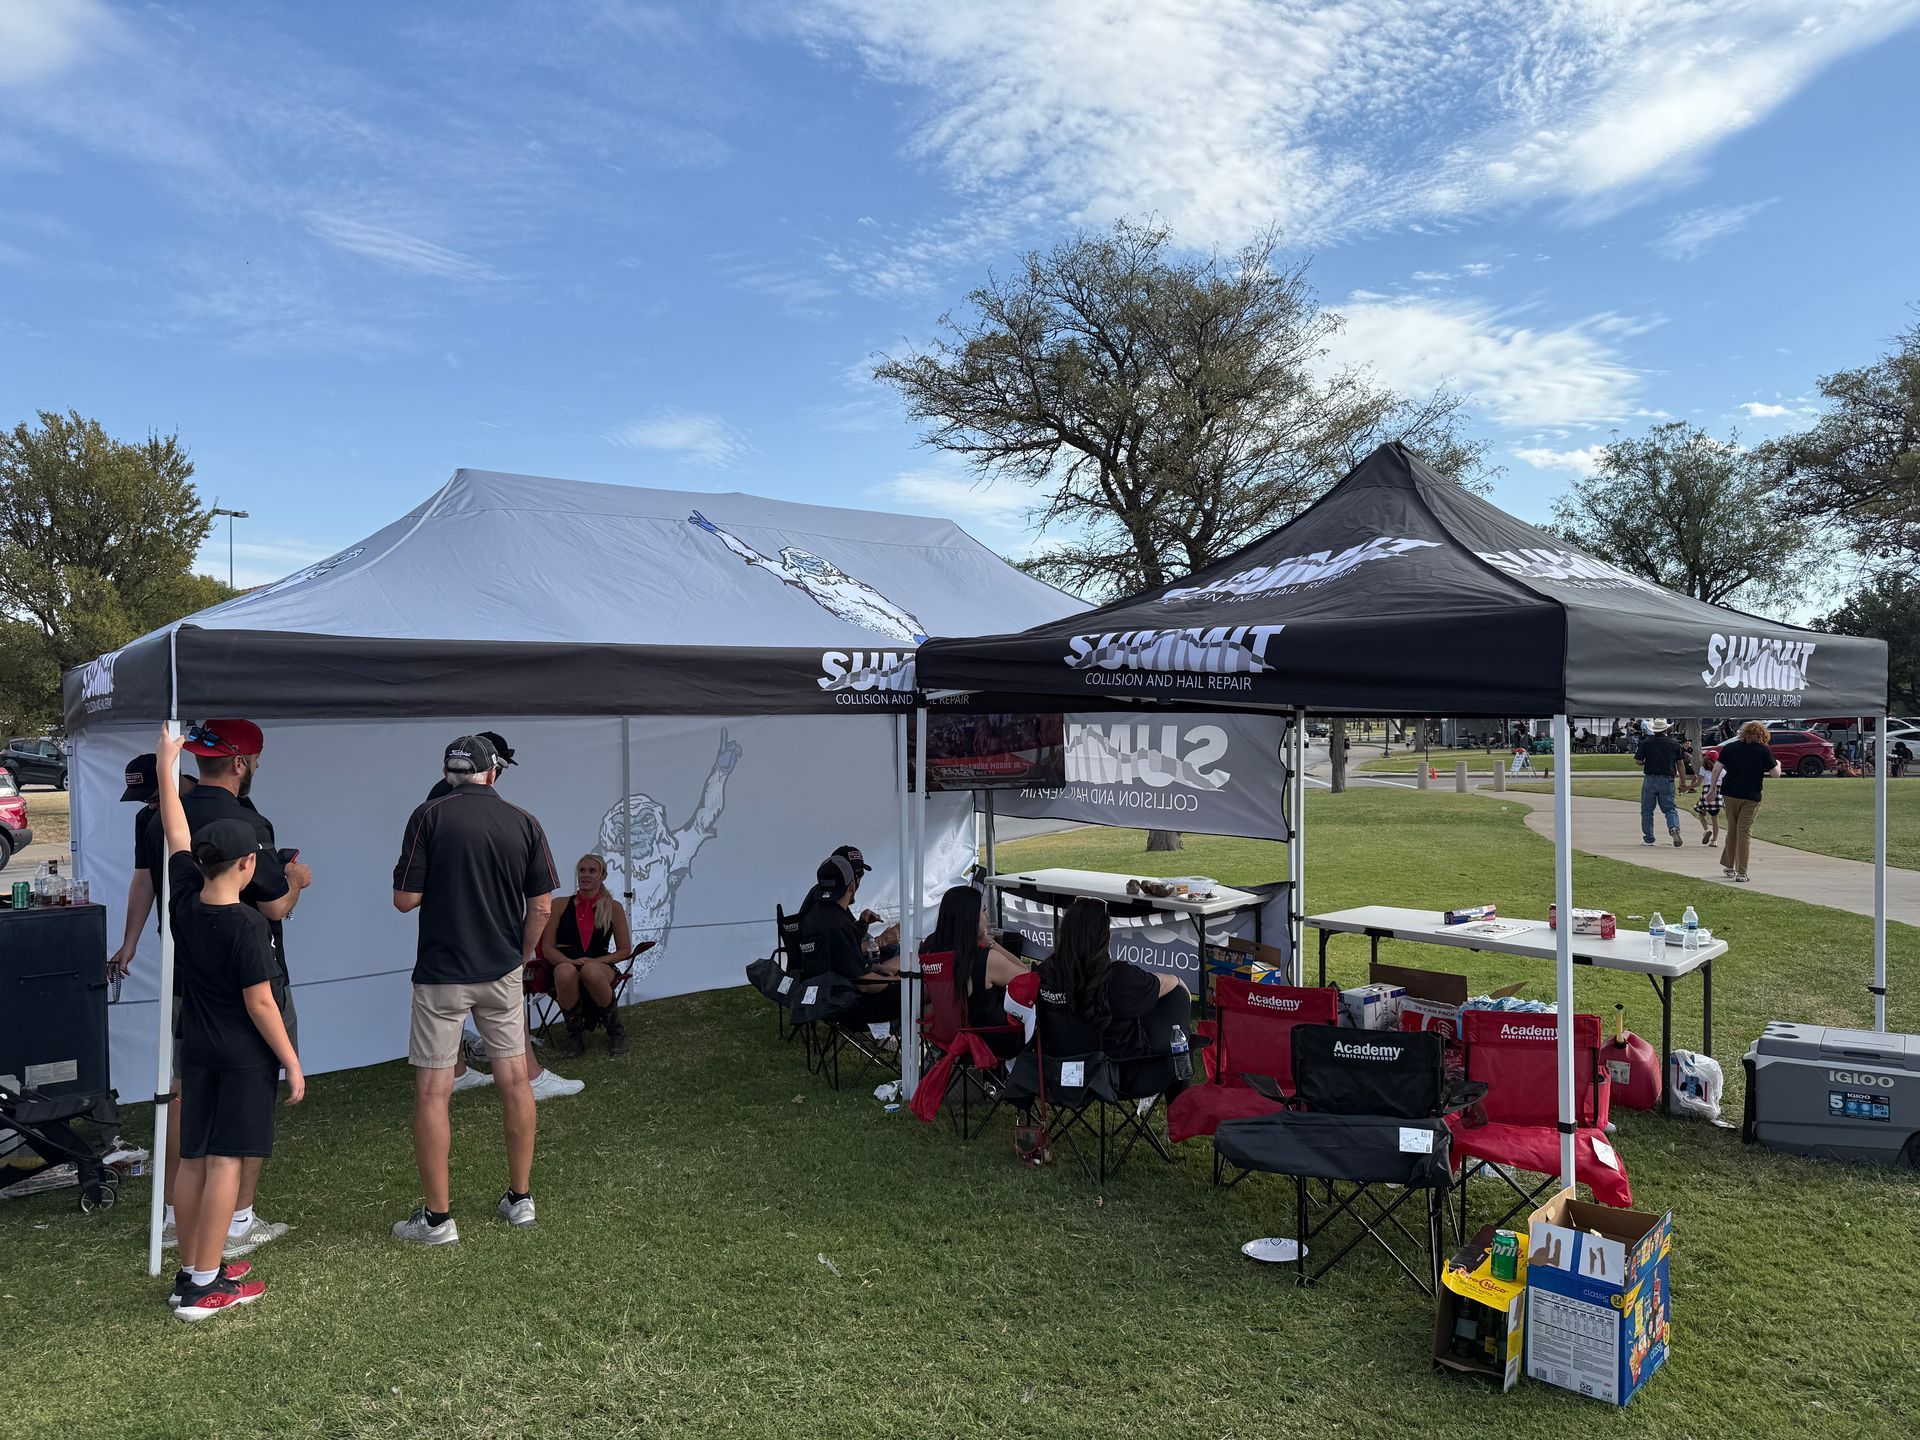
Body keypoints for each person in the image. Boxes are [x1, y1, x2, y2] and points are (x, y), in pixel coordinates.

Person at [152, 726, 301, 1321]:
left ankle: (192, 1269)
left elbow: (174, 829)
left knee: (193, 1159)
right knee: (226, 1163)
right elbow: (262, 1005)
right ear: (246, 865)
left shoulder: (185, 898)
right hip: (241, 1057)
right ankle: (204, 1286)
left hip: (198, 1051)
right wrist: (291, 1063)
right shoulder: (247, 928)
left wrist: (168, 765)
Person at [392, 735, 558, 1243]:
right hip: (500, 969)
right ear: (492, 772)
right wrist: (522, 954)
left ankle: (439, 1219)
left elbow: (404, 899)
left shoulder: (428, 815)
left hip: (442, 971)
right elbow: (543, 906)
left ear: (449, 773)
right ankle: (520, 1199)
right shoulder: (525, 821)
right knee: (515, 1080)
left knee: (433, 1091)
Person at [179, 719, 310, 1257]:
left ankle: (184, 1242)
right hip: (245, 1023)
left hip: (192, 998)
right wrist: (296, 879)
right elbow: (275, 907)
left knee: (192, 1138)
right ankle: (234, 1229)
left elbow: (157, 861)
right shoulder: (251, 926)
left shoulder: (173, 833)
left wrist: (167, 769)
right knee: (236, 1142)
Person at [427, 731, 584, 1101]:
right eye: (500, 765)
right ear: (489, 764)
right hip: (479, 926)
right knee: (501, 1004)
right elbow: (540, 902)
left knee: (456, 1006)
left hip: (453, 927)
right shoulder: (450, 802)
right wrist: (523, 950)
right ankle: (529, 1077)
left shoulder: (441, 798)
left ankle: (460, 1070)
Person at [107, 753, 196, 1244]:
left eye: (154, 791)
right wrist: (131, 942)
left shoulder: (206, 806)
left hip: (219, 944)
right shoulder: (148, 818)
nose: (149, 803)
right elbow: (144, 879)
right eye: (143, 797)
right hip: (179, 947)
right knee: (180, 1077)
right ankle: (170, 1207)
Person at [1036, 898, 1190, 1080]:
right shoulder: (1119, 977)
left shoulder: (1046, 971)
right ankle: (1181, 1088)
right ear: (1105, 937)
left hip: (1061, 1069)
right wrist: (1180, 981)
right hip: (1122, 1075)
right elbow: (1168, 983)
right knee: (1177, 997)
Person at [541, 852, 634, 1057]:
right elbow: (548, 948)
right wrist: (570, 961)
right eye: (582, 870)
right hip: (565, 960)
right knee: (565, 971)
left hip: (600, 963)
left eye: (592, 871)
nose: (586, 875)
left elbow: (625, 950)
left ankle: (616, 1031)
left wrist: (596, 960)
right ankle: (575, 1035)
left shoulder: (613, 907)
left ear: (602, 876)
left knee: (591, 970)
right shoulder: (559, 905)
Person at [920, 885, 1028, 1057]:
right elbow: (1027, 979)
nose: (986, 915)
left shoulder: (930, 948)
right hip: (990, 1041)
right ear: (971, 918)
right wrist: (990, 942)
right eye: (983, 910)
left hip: (948, 1036)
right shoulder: (985, 959)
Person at [797, 853, 900, 1026]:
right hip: (849, 1005)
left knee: (907, 959)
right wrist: (901, 980)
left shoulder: (815, 916)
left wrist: (877, 967)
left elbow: (839, 958)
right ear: (851, 884)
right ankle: (893, 1036)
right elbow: (864, 984)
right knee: (920, 985)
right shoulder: (838, 924)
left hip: (824, 995)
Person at [1715, 720, 1782, 883]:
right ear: (1762, 735)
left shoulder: (1731, 748)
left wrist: (1711, 791)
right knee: (1744, 831)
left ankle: (1729, 866)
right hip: (1750, 796)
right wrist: (1778, 763)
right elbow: (1775, 774)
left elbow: (1717, 768)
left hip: (1730, 793)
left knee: (1732, 829)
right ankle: (1742, 872)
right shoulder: (1763, 751)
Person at [1634, 719, 1685, 848]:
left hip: (1650, 779)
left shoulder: (1646, 743)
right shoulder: (1674, 744)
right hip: (1667, 779)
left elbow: (1638, 761)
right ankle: (1674, 827)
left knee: (1647, 810)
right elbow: (1680, 764)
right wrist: (1683, 782)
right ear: (1666, 729)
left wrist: (1647, 762)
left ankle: (1649, 838)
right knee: (1670, 808)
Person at [1691, 762, 1723, 847]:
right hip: (1717, 794)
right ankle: (1715, 840)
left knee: (1701, 813)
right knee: (1715, 818)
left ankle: (1706, 830)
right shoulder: (1722, 771)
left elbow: (1698, 783)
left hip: (1706, 793)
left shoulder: (1703, 769)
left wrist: (1687, 787)